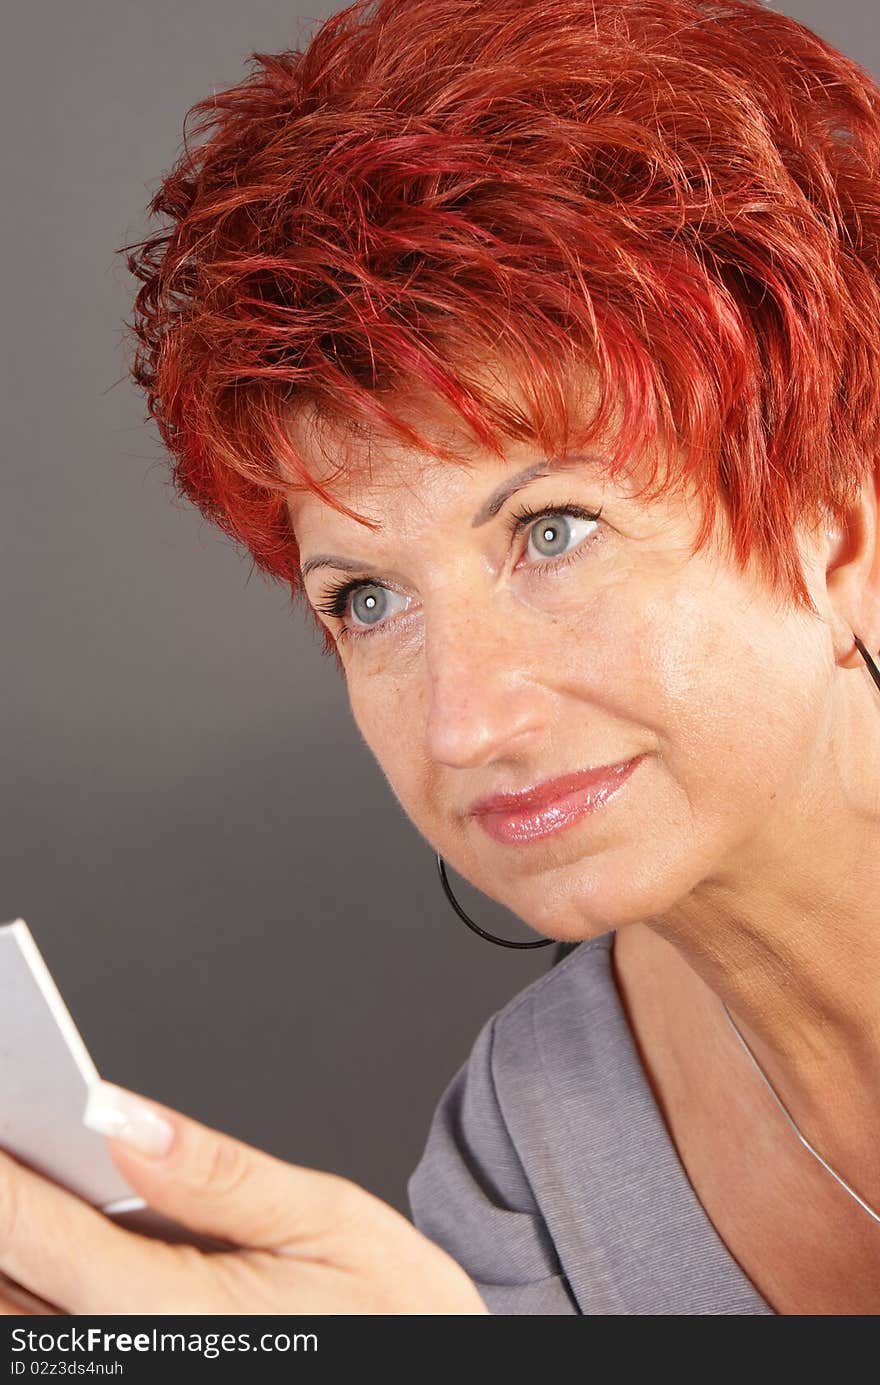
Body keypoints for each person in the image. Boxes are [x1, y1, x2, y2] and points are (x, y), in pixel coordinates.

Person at [1, 0, 879, 1316]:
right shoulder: (524, 1154)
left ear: (845, 523)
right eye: (365, 600)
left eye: (554, 529)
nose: (463, 723)